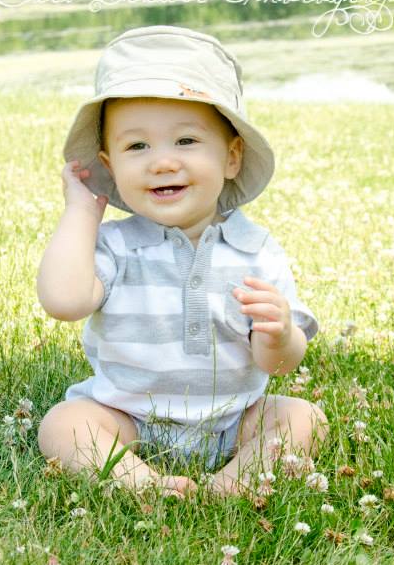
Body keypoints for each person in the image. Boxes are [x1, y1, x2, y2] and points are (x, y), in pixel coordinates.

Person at [35, 25, 328, 500]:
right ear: (110, 166)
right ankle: (143, 483)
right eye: (137, 146)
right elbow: (63, 302)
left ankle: (231, 483)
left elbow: (279, 364)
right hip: (127, 415)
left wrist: (279, 334)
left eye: (186, 141)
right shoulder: (116, 246)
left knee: (303, 418)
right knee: (64, 424)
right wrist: (80, 213)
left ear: (232, 157)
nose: (162, 162)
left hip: (235, 418)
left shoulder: (256, 250)